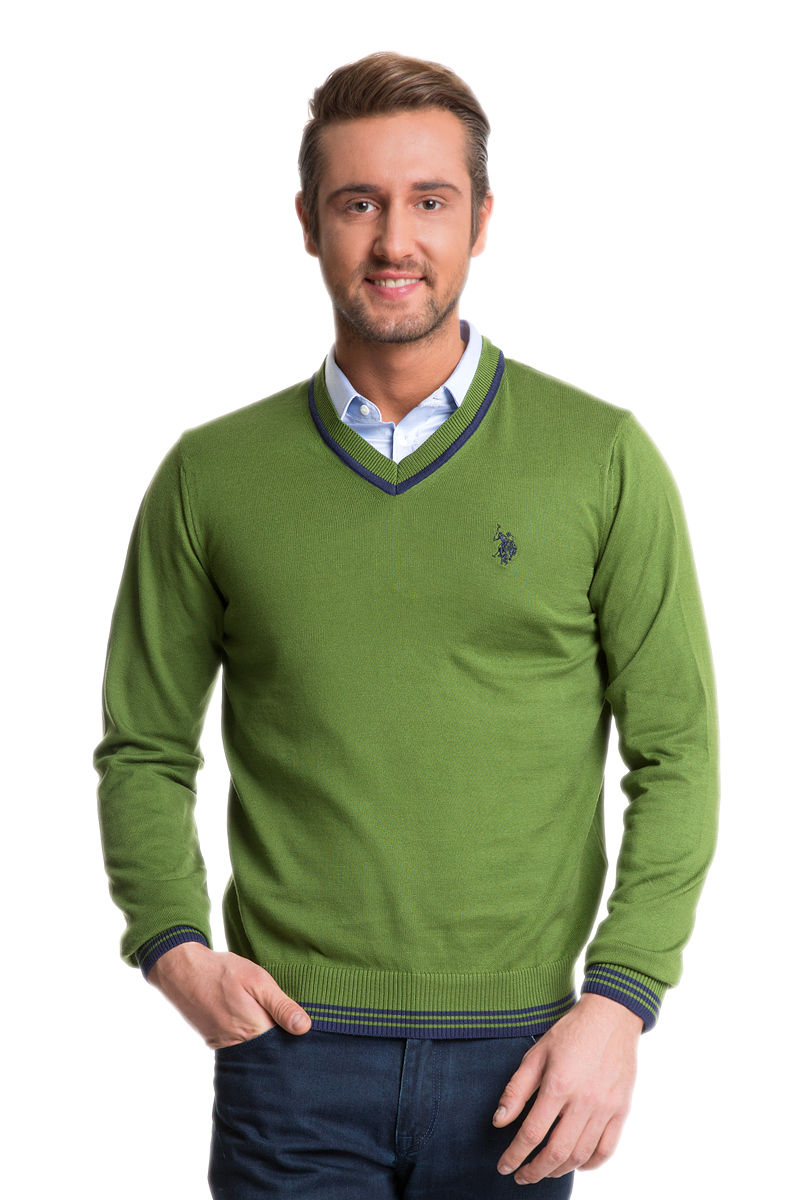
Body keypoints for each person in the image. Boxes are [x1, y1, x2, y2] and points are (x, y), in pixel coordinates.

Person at [94, 51, 719, 1197]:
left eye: (429, 200)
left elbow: (675, 751)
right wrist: (172, 948)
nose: (394, 240)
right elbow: (142, 745)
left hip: (528, 1059)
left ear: (480, 219)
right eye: (358, 203)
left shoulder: (600, 458)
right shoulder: (210, 476)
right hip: (288, 1054)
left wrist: (620, 1002)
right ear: (307, 222)